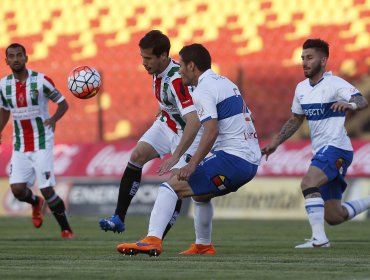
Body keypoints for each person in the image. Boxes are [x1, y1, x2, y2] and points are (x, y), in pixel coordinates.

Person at [116, 43, 261, 256]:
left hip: (234, 159)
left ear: (192, 66)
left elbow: (210, 131)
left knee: (170, 187)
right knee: (200, 196)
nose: (179, 69)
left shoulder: (203, 90)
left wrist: (191, 165)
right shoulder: (224, 82)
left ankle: (152, 239)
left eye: (182, 64)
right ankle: (203, 245)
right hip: (248, 159)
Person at [98, 31, 216, 254]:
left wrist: (175, 156)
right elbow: (170, 101)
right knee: (137, 156)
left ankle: (155, 239)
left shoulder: (176, 80)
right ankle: (118, 218)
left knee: (177, 183)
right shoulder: (159, 71)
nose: (144, 63)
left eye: (148, 58)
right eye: (142, 57)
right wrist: (161, 111)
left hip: (188, 132)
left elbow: (193, 119)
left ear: (163, 56)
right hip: (167, 123)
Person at [261, 39, 369, 248]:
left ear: (324, 60)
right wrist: (276, 142)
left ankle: (319, 240)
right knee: (335, 216)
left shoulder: (335, 84)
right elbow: (295, 120)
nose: (304, 62)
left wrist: (349, 104)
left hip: (336, 148)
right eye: (303, 58)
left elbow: (362, 101)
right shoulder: (301, 88)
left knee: (308, 183)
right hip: (321, 151)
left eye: (310, 58)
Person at [0, 43, 74, 238]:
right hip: (20, 144)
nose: (16, 59)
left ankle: (66, 229)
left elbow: (63, 104)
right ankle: (35, 203)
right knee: (17, 189)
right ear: (6, 61)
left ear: (26, 58)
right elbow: (5, 109)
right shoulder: (3, 85)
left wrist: (54, 119)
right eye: (12, 56)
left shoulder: (42, 81)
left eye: (19, 55)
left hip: (42, 141)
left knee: (46, 187)